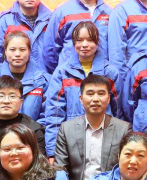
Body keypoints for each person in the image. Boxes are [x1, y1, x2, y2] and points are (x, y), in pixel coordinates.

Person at [42, 21, 103, 154]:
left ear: (97, 42)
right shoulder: (62, 73)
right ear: (73, 43)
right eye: (79, 40)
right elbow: (54, 114)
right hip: (71, 141)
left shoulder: (109, 72)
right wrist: (52, 152)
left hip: (103, 141)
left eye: (90, 40)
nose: (84, 45)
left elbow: (117, 111)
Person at [44, 0, 112, 76]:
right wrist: (61, 73)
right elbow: (50, 49)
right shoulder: (62, 12)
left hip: (101, 77)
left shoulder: (109, 13)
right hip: (69, 76)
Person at [0, 32, 49, 124]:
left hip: (32, 132)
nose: (17, 54)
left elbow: (48, 115)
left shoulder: (42, 81)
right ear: (5, 51)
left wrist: (33, 131)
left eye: (22, 49)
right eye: (12, 49)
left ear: (29, 51)